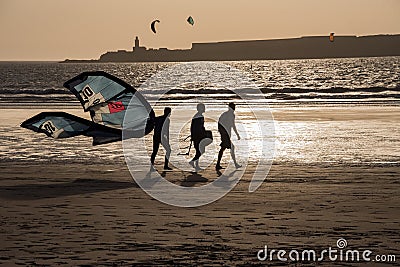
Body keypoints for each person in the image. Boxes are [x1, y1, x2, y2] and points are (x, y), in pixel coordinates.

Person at [216, 102, 241, 170]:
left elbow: (220, 124)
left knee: (223, 149)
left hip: (226, 134)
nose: (234, 108)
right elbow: (232, 125)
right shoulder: (229, 115)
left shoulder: (227, 114)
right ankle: (235, 164)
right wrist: (237, 134)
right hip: (225, 135)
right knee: (231, 148)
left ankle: (218, 164)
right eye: (233, 107)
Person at [189, 103, 206, 171]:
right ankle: (192, 162)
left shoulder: (199, 116)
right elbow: (194, 127)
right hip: (197, 136)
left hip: (198, 136)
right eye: (203, 107)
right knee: (200, 150)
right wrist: (193, 136)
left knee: (199, 150)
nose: (204, 108)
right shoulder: (198, 116)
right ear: (199, 109)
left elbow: (198, 127)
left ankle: (196, 165)